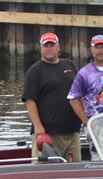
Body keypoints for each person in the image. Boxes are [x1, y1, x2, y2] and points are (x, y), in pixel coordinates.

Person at [21, 32, 83, 162]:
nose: (49, 48)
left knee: (75, 170)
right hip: (47, 135)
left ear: (58, 47)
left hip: (72, 133)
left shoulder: (70, 65)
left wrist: (86, 118)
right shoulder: (35, 70)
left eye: (52, 45)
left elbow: (79, 94)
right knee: (45, 170)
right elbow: (29, 100)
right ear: (41, 48)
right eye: (46, 45)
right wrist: (38, 126)